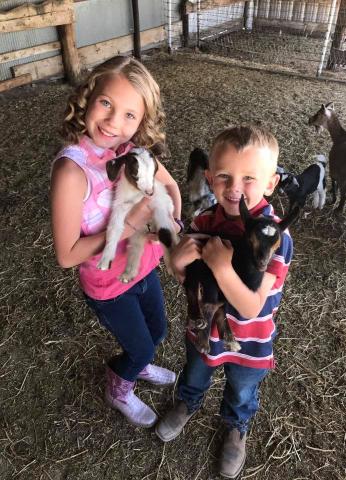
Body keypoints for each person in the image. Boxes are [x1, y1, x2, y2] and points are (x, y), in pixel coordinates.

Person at [50, 56, 183, 429]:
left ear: (141, 123)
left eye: (130, 115)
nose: (113, 122)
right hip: (109, 287)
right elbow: (65, 255)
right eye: (106, 103)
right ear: (87, 97)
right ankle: (118, 386)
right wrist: (131, 225)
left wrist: (172, 219)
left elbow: (170, 185)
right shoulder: (72, 172)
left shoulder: (131, 151)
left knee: (158, 331)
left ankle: (137, 364)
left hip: (143, 267)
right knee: (140, 345)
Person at [155, 125, 293, 478]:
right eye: (224, 177)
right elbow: (190, 281)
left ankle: (235, 426)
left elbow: (251, 307)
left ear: (270, 183)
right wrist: (175, 262)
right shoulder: (202, 221)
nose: (234, 188)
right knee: (195, 370)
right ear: (209, 177)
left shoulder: (275, 236)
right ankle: (188, 401)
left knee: (242, 387)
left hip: (250, 338)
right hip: (204, 327)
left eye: (249, 178)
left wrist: (221, 266)